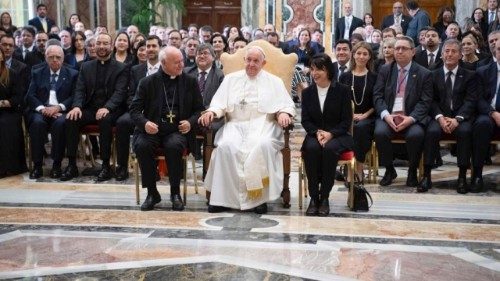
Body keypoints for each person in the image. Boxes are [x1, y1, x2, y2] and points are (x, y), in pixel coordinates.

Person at [198, 46, 295, 214]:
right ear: (244, 61)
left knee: (262, 146)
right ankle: (221, 199)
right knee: (226, 146)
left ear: (263, 63)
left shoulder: (275, 82)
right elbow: (219, 103)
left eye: (256, 61)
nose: (251, 64)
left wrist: (284, 113)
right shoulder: (230, 79)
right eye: (248, 60)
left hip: (265, 125)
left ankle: (258, 200)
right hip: (235, 125)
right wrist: (212, 112)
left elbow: (285, 104)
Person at [130, 46, 204, 211]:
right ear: (163, 63)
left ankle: (175, 192)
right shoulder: (147, 82)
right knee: (142, 146)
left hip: (177, 130)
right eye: (176, 62)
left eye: (182, 61)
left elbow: (199, 109)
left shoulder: (190, 81)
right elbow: (134, 110)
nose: (181, 65)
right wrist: (145, 123)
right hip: (152, 129)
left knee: (174, 146)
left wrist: (190, 122)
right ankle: (151, 193)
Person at [61, 33, 129, 182]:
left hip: (112, 110)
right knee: (71, 118)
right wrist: (77, 106)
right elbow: (79, 89)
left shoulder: (122, 68)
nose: (102, 46)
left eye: (106, 43)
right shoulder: (86, 66)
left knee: (104, 119)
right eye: (99, 43)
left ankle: (105, 165)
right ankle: (72, 165)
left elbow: (120, 92)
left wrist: (107, 107)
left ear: (111, 46)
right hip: (91, 109)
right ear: (94, 46)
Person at [373, 36, 433, 187]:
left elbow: (425, 101)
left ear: (413, 52)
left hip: (412, 117)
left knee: (416, 135)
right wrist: (386, 116)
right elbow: (377, 96)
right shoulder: (385, 70)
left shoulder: (424, 73)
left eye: (403, 48)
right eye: (397, 48)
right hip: (389, 116)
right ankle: (389, 169)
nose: (399, 51)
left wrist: (411, 118)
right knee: (380, 132)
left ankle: (412, 171)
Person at [419, 39, 477, 193]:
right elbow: (430, 100)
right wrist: (439, 117)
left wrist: (458, 119)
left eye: (454, 51)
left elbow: (470, 101)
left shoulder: (470, 75)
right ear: (442, 54)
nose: (450, 54)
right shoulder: (432, 74)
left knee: (465, 132)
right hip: (439, 117)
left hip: (460, 118)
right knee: (431, 132)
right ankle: (427, 175)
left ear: (460, 55)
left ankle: (462, 176)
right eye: (447, 51)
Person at [301, 53, 353, 216]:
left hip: (338, 135)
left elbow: (346, 121)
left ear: (328, 70)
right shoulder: (308, 92)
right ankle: (314, 197)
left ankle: (324, 197)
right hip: (314, 134)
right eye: (313, 69)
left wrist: (330, 134)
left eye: (319, 69)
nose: (315, 73)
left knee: (330, 150)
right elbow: (305, 120)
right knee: (311, 150)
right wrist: (317, 133)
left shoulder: (342, 91)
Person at [26, 45, 79, 179]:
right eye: (51, 57)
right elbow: (30, 96)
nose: (55, 60)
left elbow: (74, 96)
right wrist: (43, 109)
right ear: (46, 58)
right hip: (41, 110)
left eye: (58, 57)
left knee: (61, 124)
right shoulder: (37, 72)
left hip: (61, 110)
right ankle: (37, 166)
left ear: (63, 59)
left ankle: (56, 165)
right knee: (37, 124)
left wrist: (59, 107)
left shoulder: (72, 73)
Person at [115, 35, 161, 181]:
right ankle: (122, 167)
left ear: (160, 48)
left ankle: (155, 167)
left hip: (160, 113)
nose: (150, 49)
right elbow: (130, 95)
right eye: (148, 46)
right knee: (122, 122)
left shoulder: (166, 68)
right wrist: (138, 112)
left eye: (154, 46)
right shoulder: (136, 70)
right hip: (138, 112)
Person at [339, 42, 377, 182]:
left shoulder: (374, 77)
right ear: (353, 55)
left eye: (365, 54)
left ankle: (359, 168)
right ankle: (349, 167)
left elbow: (377, 102)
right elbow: (340, 101)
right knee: (349, 127)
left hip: (368, 116)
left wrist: (365, 115)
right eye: (358, 53)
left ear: (369, 57)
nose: (361, 56)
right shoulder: (345, 77)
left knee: (360, 128)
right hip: (347, 116)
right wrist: (351, 115)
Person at [184, 43, 225, 159]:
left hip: (209, 113)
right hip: (189, 113)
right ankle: (190, 154)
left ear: (213, 57)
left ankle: (208, 163)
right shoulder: (186, 72)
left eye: (205, 53)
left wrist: (207, 112)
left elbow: (221, 99)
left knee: (214, 126)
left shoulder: (219, 75)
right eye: (199, 53)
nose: (202, 56)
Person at [472, 39, 500, 192]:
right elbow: (478, 99)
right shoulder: (483, 71)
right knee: (481, 125)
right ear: (495, 52)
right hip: (488, 113)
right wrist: (493, 113)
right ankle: (477, 174)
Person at [0, 48, 26, 178]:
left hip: (9, 111)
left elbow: (18, 98)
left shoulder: (12, 74)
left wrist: (2, 103)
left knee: (4, 124)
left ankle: (8, 167)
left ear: (2, 56)